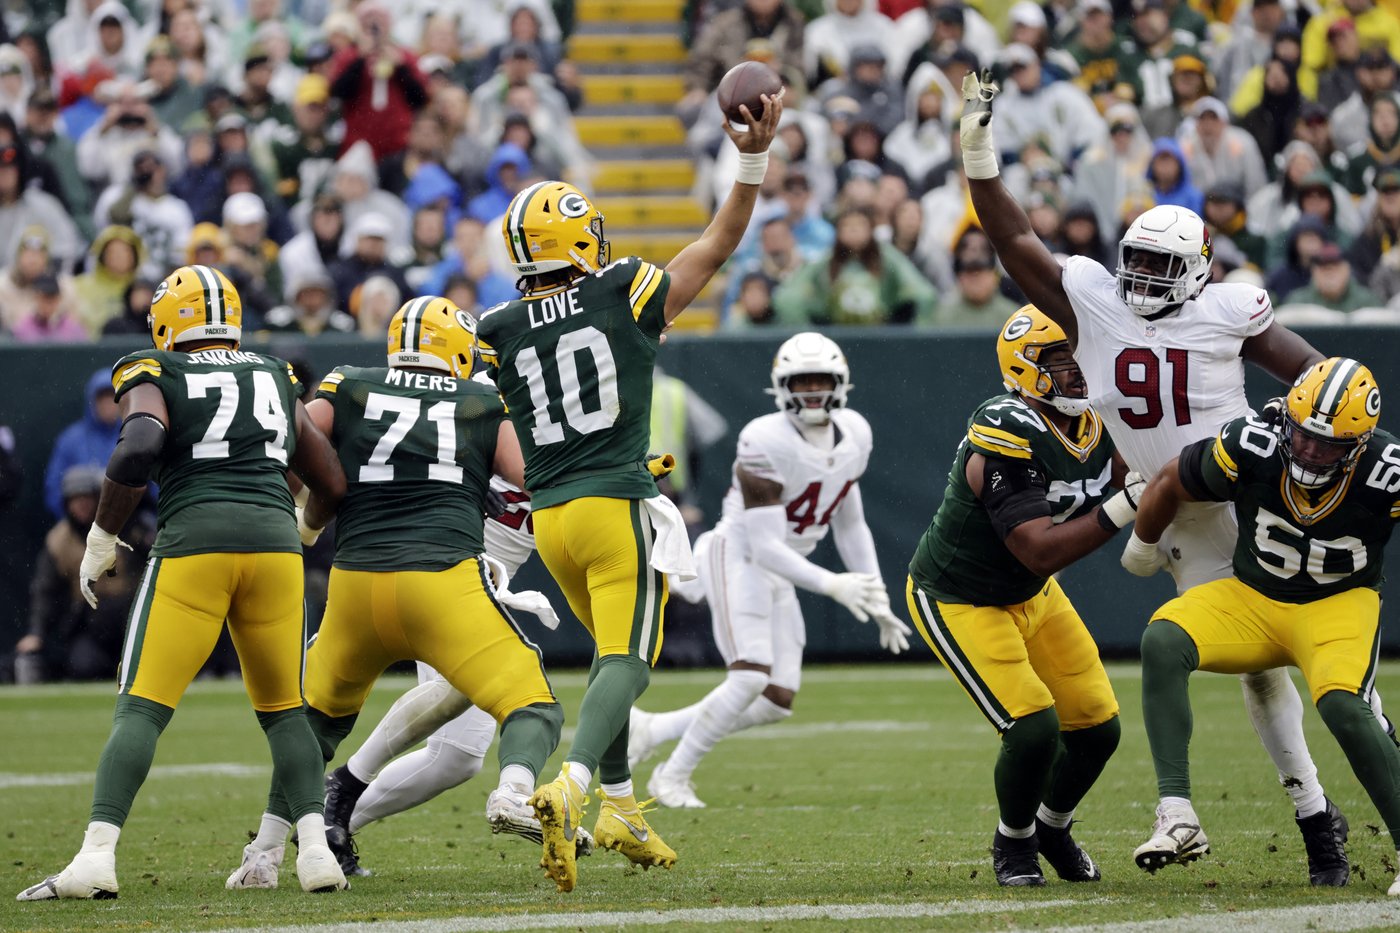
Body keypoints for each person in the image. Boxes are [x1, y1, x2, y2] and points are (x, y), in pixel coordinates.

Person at [958, 68, 1357, 886]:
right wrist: (977, 150)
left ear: (1201, 268)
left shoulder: (1227, 310)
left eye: (1157, 263)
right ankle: (1288, 816)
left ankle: (1318, 814)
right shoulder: (1093, 301)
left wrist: (1294, 430)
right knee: (1249, 667)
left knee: (1302, 662)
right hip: (1172, 515)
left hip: (1247, 498)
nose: (1138, 276)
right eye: (1132, 258)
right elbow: (1012, 238)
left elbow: (1316, 377)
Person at [475, 90, 783, 893]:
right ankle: (571, 788)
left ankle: (619, 805)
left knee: (610, 659)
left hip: (549, 520)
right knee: (626, 663)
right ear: (576, 236)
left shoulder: (498, 326)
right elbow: (714, 248)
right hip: (614, 506)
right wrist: (750, 161)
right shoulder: (621, 289)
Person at [17, 265, 349, 900]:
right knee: (284, 711)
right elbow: (330, 480)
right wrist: (301, 530)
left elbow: (139, 445)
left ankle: (95, 858)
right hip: (275, 551)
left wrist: (102, 536)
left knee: (142, 705)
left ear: (170, 319)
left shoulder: (156, 369)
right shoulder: (275, 375)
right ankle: (314, 854)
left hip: (195, 544)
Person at [231, 297, 567, 887]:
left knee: (315, 727)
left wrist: (297, 515)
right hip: (446, 579)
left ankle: (268, 852)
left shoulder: (351, 384)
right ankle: (516, 789)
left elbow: (294, 439)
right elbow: (539, 478)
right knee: (531, 700)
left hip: (358, 583)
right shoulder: (487, 401)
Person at [1123, 358, 1400, 893]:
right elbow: (1170, 480)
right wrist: (1143, 542)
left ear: (1359, 446)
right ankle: (1177, 811)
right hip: (1253, 598)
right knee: (1163, 639)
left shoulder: (1385, 468)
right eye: (1303, 437)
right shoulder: (1251, 443)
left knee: (1343, 704)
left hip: (1337, 605)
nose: (1312, 452)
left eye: (1329, 446)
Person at [630, 333, 911, 808]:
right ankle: (671, 776)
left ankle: (653, 728)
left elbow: (851, 520)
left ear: (841, 383)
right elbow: (763, 546)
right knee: (749, 677)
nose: (813, 392)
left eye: (822, 380)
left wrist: (874, 593)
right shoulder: (763, 439)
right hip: (738, 556)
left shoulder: (855, 433)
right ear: (782, 387)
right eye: (802, 382)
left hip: (782, 567)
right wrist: (833, 584)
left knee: (776, 699)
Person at [906, 307, 1135, 884]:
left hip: (1033, 594)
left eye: (1081, 355)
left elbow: (1147, 470)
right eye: (1063, 360)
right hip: (961, 595)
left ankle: (1053, 827)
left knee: (1097, 727)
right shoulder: (1007, 427)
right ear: (1027, 368)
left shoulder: (1102, 418)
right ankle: (1014, 845)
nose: (1080, 370)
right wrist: (1130, 503)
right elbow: (1038, 549)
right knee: (1034, 728)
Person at [16, 466, 149, 683]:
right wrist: (36, 632)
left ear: (99, 499)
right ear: (67, 504)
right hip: (91, 622)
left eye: (88, 499)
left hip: (132, 616)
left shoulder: (127, 525)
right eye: (76, 500)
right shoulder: (59, 541)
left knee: (143, 662)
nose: (83, 506)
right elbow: (45, 590)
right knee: (84, 666)